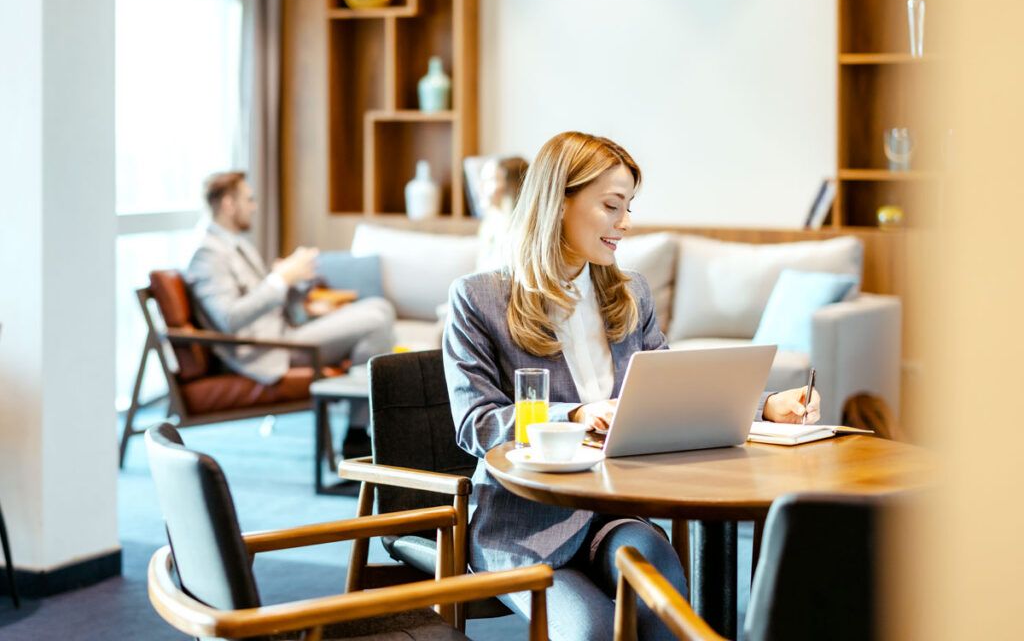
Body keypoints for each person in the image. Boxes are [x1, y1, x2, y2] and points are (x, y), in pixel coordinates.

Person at [442, 132, 821, 641]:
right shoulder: (479, 298)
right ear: (558, 204)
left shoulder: (629, 293)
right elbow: (477, 423)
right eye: (611, 206)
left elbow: (670, 393)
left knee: (662, 599)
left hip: (613, 512)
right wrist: (574, 415)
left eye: (629, 206)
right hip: (526, 524)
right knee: (594, 631)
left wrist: (766, 404)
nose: (626, 222)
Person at [187, 172, 396, 445]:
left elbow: (265, 297)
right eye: (249, 199)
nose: (254, 206)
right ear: (228, 204)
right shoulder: (208, 253)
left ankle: (359, 429)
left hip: (283, 333)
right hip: (267, 349)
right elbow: (229, 317)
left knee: (378, 308)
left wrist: (296, 281)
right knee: (376, 319)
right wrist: (280, 278)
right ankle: (359, 434)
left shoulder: (234, 244)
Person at [475, 155, 529, 272]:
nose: (480, 187)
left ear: (513, 186)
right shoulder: (490, 221)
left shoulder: (524, 233)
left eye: (491, 179)